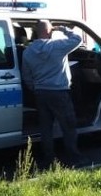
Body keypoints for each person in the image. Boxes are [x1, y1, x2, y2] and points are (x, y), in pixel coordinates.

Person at [20, 20, 86, 167]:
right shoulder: (57, 46)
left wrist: (35, 88)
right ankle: (74, 158)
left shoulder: (27, 52)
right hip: (59, 93)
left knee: (46, 128)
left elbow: (26, 75)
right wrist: (63, 29)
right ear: (50, 31)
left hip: (41, 93)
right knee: (68, 126)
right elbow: (77, 39)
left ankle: (49, 159)